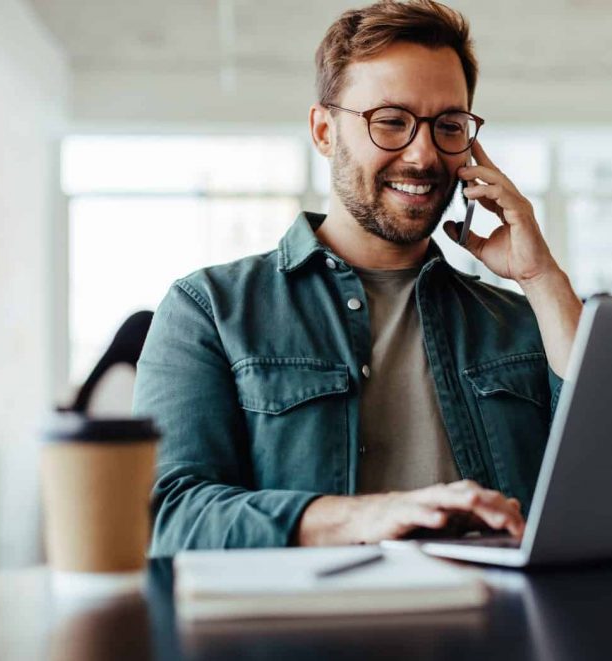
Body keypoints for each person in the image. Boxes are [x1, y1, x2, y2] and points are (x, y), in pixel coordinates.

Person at [133, 0, 583, 552]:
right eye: (391, 121)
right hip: (307, 633)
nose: (423, 155)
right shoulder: (210, 310)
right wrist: (367, 517)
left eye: (448, 125)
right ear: (324, 131)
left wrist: (541, 278)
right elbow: (166, 515)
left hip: (499, 631)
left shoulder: (519, 321)